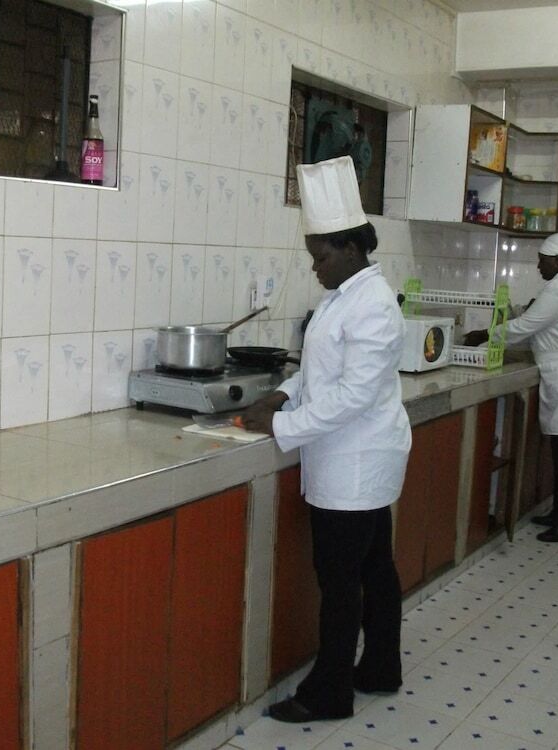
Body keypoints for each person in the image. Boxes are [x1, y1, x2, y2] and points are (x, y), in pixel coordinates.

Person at [243, 156, 411, 723]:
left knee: (341, 583)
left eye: (321, 257)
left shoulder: (373, 305)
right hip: (355, 458)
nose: (315, 267)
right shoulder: (345, 296)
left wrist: (282, 427)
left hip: (354, 462)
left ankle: (330, 691)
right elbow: (322, 375)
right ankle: (381, 667)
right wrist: (283, 395)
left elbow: (353, 395)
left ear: (352, 250)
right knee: (374, 568)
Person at [464, 229, 558, 543]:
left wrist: (484, 335)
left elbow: (526, 326)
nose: (538, 266)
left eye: (542, 260)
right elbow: (534, 321)